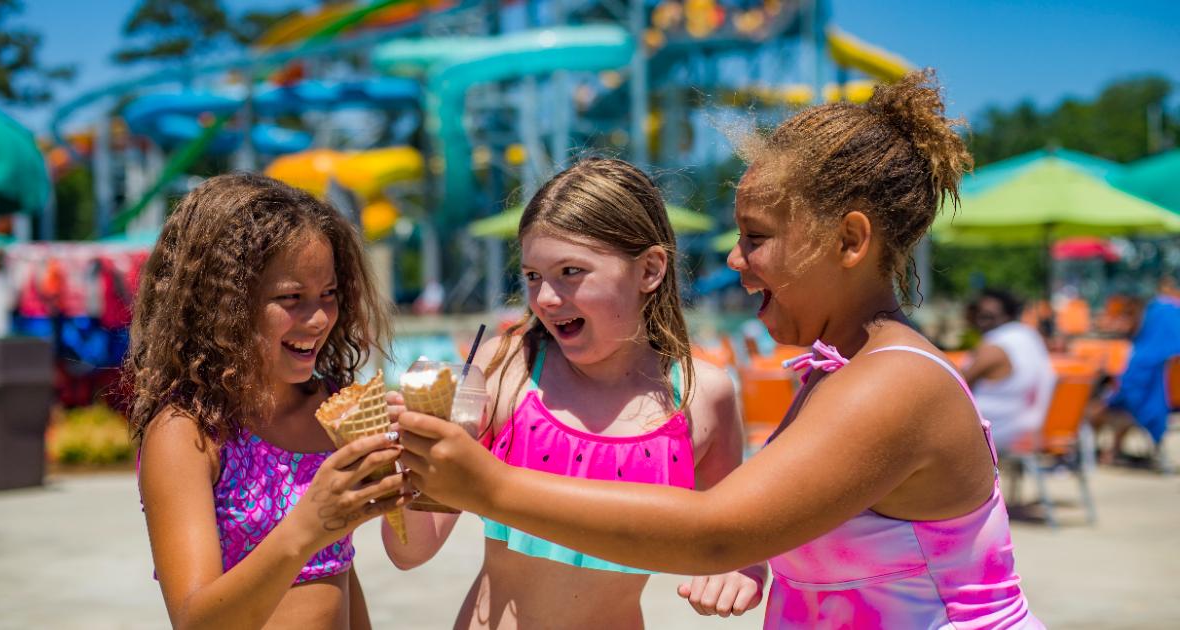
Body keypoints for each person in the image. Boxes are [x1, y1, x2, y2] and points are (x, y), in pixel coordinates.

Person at [397, 71, 1042, 628]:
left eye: (757, 237)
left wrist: (490, 486)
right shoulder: (844, 370)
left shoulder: (893, 385)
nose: (735, 260)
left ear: (849, 241)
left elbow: (716, 532)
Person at [382, 157, 760, 628]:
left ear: (650, 270)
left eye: (571, 271)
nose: (546, 298)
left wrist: (740, 571)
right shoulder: (504, 372)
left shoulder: (703, 397)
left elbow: (734, 538)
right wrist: (414, 460)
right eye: (534, 276)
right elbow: (409, 551)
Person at [129, 173, 410, 628]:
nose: (318, 318)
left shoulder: (331, 408)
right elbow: (195, 620)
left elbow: (339, 570)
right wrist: (310, 525)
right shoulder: (190, 433)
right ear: (224, 304)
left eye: (329, 294)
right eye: (291, 298)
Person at [1092, 274, 1180, 468]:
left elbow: (1127, 390)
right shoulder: (1170, 319)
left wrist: (1107, 399)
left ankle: (1099, 453)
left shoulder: (1145, 356)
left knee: (1101, 408)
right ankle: (1111, 451)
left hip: (1157, 402)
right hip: (1172, 399)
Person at [961, 288, 1056, 454]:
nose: (980, 321)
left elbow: (955, 384)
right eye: (977, 313)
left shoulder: (995, 347)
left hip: (999, 428)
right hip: (1028, 423)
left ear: (1007, 315)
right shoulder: (1030, 336)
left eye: (987, 316)